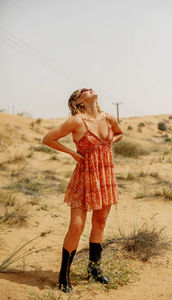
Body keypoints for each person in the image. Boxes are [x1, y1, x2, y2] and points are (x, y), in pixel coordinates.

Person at [42, 88, 123, 294]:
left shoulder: (109, 118)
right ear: (79, 102)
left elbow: (120, 133)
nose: (89, 89)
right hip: (85, 176)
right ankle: (63, 275)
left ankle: (94, 269)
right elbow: (48, 139)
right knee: (77, 226)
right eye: (83, 91)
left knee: (100, 222)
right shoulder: (77, 121)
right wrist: (72, 154)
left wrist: (107, 144)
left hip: (105, 176)